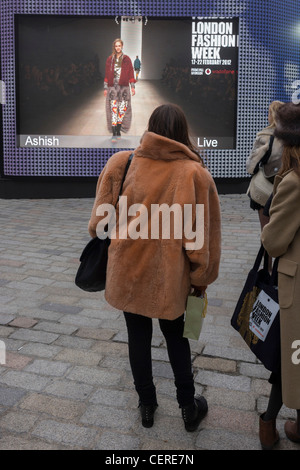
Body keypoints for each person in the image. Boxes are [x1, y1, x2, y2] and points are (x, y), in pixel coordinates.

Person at [88, 103, 221, 431]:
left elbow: (98, 226)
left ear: (150, 127)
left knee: (137, 335)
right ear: (182, 132)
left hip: (127, 272)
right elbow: (201, 240)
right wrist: (200, 279)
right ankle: (189, 408)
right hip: (169, 278)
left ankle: (147, 405)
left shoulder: (124, 162)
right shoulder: (194, 174)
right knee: (177, 337)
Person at [260, 102, 300, 450]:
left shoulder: (294, 182)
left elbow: (274, 242)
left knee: (286, 358)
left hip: (295, 289)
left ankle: (267, 424)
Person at [246, 100, 284, 230]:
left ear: (272, 115)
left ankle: (266, 250)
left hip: (264, 190)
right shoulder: (292, 137)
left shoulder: (264, 136)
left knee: (266, 230)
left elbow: (251, 166)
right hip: (285, 188)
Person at [104, 38, 135, 142]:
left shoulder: (127, 59)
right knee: (113, 109)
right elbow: (107, 74)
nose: (118, 47)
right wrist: (105, 87)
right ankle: (114, 133)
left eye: (119, 45)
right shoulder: (110, 59)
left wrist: (133, 87)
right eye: (116, 46)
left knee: (121, 110)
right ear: (114, 47)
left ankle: (118, 131)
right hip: (112, 87)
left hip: (124, 87)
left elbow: (131, 72)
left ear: (122, 46)